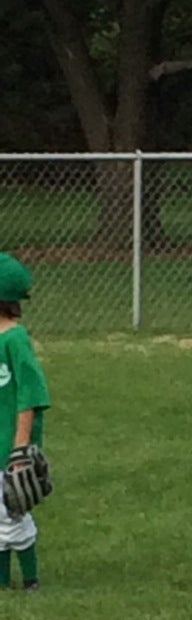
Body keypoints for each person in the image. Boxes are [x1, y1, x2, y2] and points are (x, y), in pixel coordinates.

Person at [0, 253, 51, 592]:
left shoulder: (15, 339)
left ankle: (31, 579)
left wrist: (20, 448)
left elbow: (29, 396)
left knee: (11, 512)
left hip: (9, 444)